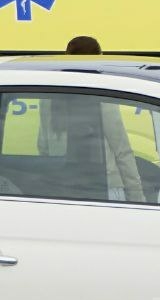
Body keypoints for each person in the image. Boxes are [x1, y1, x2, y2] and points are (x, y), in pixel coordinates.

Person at [41, 35, 146, 203]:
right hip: (104, 188)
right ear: (97, 59)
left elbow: (44, 149)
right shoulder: (101, 96)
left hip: (63, 189)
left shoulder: (49, 99)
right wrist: (138, 197)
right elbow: (122, 152)